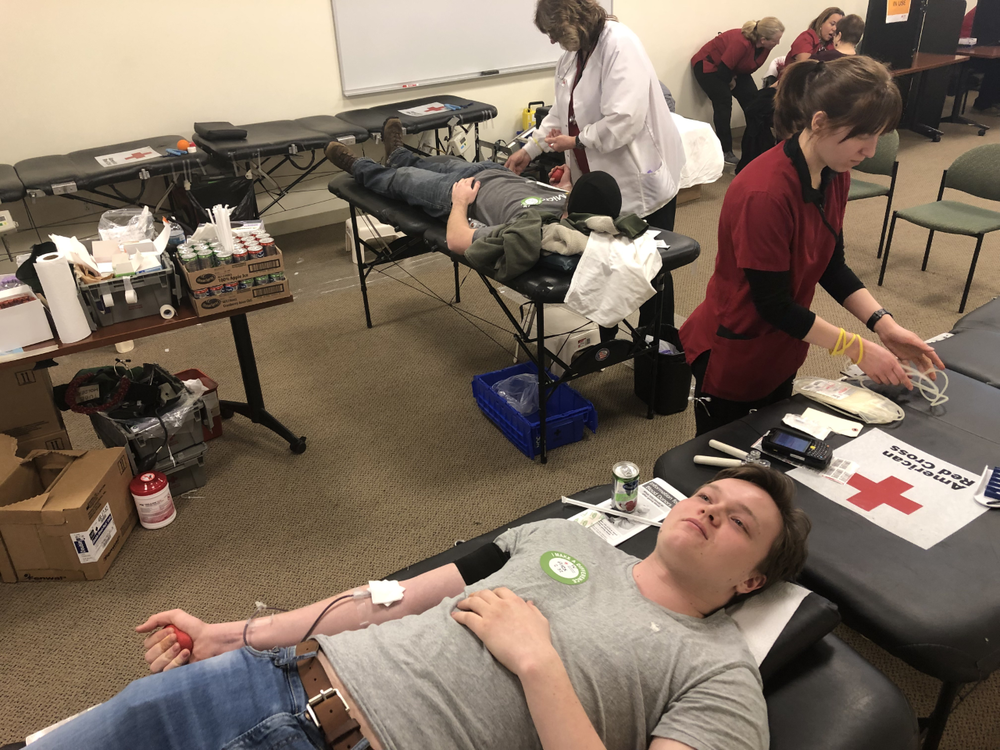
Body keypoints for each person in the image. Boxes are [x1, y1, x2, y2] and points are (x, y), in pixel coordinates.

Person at [28, 464, 811, 750]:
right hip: (266, 679)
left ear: (751, 581)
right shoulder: (560, 537)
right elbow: (389, 600)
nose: (708, 510)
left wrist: (536, 661)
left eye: (738, 521)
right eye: (708, 495)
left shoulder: (719, 674)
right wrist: (226, 636)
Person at [680, 56, 945, 437]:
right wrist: (857, 348)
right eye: (861, 136)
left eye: (879, 137)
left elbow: (831, 266)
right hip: (736, 346)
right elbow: (772, 304)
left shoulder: (835, 173)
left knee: (769, 443)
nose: (870, 151)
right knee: (722, 455)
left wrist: (884, 325)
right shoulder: (764, 193)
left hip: (786, 339)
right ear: (819, 122)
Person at [325, 119, 629, 282]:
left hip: (459, 196)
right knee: (432, 161)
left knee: (400, 181)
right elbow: (570, 191)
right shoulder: (570, 205)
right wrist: (562, 177)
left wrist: (459, 202)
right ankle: (398, 154)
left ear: (572, 210)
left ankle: (359, 166)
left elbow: (459, 241)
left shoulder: (534, 229)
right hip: (491, 171)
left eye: (572, 190)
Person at [505, 0, 685, 233]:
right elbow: (561, 112)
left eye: (554, 32)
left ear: (570, 19)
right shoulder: (572, 57)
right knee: (607, 257)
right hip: (599, 182)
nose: (552, 41)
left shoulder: (620, 44)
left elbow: (624, 120)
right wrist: (530, 150)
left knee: (649, 260)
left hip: (639, 179)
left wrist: (576, 141)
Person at [691, 18, 785, 166]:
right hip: (709, 66)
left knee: (755, 102)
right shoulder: (741, 42)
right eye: (776, 40)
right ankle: (725, 150)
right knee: (723, 101)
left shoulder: (766, 46)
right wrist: (732, 81)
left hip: (733, 70)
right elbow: (723, 70)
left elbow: (745, 67)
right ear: (763, 39)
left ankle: (760, 147)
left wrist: (735, 78)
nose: (778, 43)